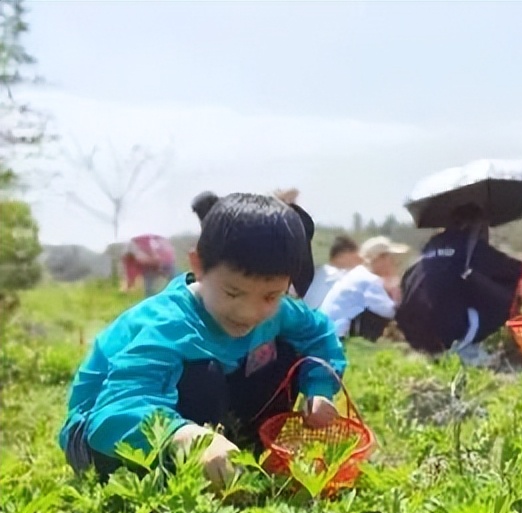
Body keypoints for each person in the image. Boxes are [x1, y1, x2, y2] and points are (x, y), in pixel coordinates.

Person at [60, 192, 347, 488]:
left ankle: (241, 448)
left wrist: (318, 388)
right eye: (233, 293)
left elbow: (318, 333)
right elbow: (114, 413)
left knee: (287, 349)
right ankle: (196, 463)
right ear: (198, 266)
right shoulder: (167, 324)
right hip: (100, 437)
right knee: (202, 375)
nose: (249, 312)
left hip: (188, 418)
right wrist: (188, 437)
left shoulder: (278, 313)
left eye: (270, 295)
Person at [395, 203, 522, 365]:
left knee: (460, 282)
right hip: (450, 332)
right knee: (507, 289)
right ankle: (466, 343)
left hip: (414, 335)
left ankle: (437, 348)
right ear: (477, 226)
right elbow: (515, 270)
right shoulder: (469, 245)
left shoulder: (431, 245)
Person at [320, 236, 409, 341]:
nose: (393, 262)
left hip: (327, 334)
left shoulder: (359, 274)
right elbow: (392, 312)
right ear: (379, 258)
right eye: (390, 257)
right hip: (336, 338)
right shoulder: (369, 281)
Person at [303, 235, 361, 309]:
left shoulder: (318, 272)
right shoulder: (341, 278)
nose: (358, 263)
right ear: (342, 256)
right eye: (355, 258)